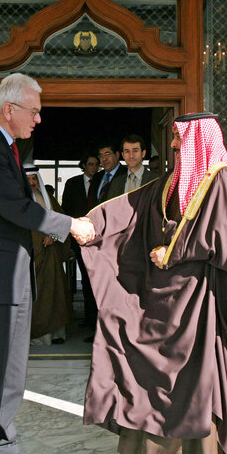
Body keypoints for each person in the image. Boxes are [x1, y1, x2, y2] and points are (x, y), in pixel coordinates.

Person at [81, 112, 227, 454]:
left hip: (200, 304)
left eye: (180, 138)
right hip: (164, 302)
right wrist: (96, 224)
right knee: (145, 372)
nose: (175, 144)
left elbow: (223, 238)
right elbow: (136, 205)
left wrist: (174, 251)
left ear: (199, 139)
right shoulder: (171, 182)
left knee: (196, 382)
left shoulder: (226, 181)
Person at [0, 73, 94, 454]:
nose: (38, 119)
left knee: (11, 373)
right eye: (34, 111)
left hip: (11, 279)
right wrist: (70, 226)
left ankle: (1, 439)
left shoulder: (9, 148)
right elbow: (15, 208)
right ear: (9, 108)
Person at [24, 164, 72, 345]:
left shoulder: (48, 199)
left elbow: (62, 221)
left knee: (55, 295)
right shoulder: (18, 201)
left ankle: (55, 334)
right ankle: (36, 336)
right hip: (30, 258)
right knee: (36, 297)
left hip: (50, 256)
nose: (32, 183)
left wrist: (53, 237)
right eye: (28, 180)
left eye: (34, 179)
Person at [83, 140, 126, 336]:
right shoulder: (98, 177)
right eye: (101, 156)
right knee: (95, 284)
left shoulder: (126, 175)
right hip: (96, 240)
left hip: (118, 241)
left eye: (107, 154)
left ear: (118, 155)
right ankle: (96, 329)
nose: (104, 159)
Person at [61, 153, 100, 331]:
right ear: (83, 165)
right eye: (91, 164)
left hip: (99, 240)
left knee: (98, 281)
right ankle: (88, 317)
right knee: (85, 279)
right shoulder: (72, 183)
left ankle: (98, 320)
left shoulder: (102, 181)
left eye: (96, 165)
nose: (94, 167)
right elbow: (66, 209)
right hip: (78, 239)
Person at [106, 134, 158, 199]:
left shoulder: (156, 181)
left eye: (135, 151)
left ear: (143, 153)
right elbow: (111, 208)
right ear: (123, 155)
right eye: (127, 151)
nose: (131, 156)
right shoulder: (116, 182)